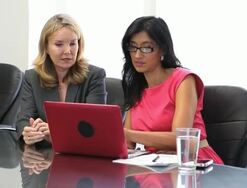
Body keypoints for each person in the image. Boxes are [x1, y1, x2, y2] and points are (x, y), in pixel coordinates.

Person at [121, 16, 223, 164]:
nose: (137, 55)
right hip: (155, 165)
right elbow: (128, 143)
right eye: (133, 47)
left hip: (193, 162)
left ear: (162, 49)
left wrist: (126, 134)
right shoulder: (136, 86)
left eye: (146, 48)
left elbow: (179, 139)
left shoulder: (184, 80)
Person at [16, 14, 107, 145]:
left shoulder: (94, 76)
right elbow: (23, 119)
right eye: (59, 44)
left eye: (72, 44)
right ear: (46, 47)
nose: (68, 51)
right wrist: (28, 132)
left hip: (81, 155)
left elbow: (93, 126)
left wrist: (56, 132)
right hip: (42, 156)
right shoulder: (32, 77)